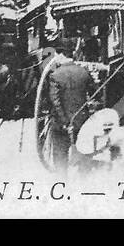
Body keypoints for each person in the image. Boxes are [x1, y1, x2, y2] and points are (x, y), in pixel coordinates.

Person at [44, 38, 95, 168]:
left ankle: (63, 185)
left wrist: (65, 121)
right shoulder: (83, 72)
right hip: (81, 121)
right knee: (83, 155)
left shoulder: (55, 75)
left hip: (61, 125)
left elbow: (55, 101)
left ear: (59, 54)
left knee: (60, 159)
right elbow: (94, 93)